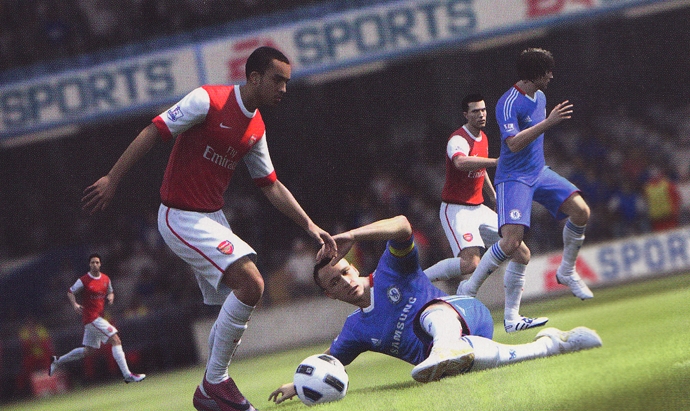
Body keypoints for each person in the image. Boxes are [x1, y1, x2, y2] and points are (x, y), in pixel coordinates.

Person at [81, 46, 336, 411]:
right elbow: (154, 130)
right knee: (252, 283)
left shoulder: (256, 127)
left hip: (211, 217)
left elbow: (271, 185)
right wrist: (113, 177)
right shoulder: (208, 100)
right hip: (180, 215)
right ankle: (215, 383)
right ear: (254, 78)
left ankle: (211, 387)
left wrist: (310, 225)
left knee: (242, 293)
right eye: (277, 80)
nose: (283, 89)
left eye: (287, 82)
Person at [268, 215, 602, 404]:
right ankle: (552, 344)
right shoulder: (356, 330)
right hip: (456, 354)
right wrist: (298, 384)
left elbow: (402, 225)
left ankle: (445, 347)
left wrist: (353, 234)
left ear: (353, 267)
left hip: (464, 312)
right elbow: (330, 361)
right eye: (334, 283)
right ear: (329, 295)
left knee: (430, 315)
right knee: (475, 359)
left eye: (344, 271)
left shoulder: (390, 271)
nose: (344, 281)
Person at [457, 48, 593, 334]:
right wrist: (549, 122)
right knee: (511, 243)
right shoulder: (507, 103)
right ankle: (470, 288)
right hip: (513, 177)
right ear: (535, 75)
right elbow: (513, 144)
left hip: (538, 172)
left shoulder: (540, 96)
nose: (551, 76)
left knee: (581, 211)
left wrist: (547, 123)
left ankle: (567, 271)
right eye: (547, 72)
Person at [424, 93, 503, 281]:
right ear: (465, 115)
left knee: (517, 247)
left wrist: (493, 195)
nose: (481, 114)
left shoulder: (483, 137)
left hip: (478, 208)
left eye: (483, 110)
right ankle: (420, 279)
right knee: (470, 263)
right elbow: (460, 162)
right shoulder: (458, 139)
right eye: (475, 111)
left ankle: (511, 303)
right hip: (456, 209)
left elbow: (480, 168)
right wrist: (495, 161)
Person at [48, 253, 145, 383]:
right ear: (89, 264)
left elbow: (110, 290)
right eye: (92, 262)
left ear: (100, 264)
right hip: (91, 318)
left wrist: (111, 296)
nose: (95, 264)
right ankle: (127, 375)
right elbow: (70, 292)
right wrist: (75, 304)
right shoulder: (84, 280)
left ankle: (58, 361)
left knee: (89, 351)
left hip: (98, 317)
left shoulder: (105, 279)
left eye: (97, 262)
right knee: (116, 340)